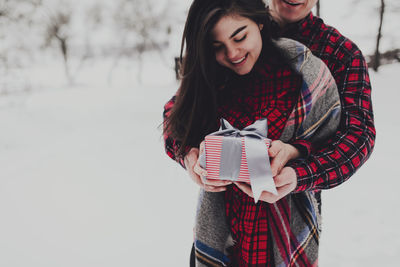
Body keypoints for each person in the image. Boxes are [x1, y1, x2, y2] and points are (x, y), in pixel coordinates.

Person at [163, 0, 375, 266]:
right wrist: (189, 155)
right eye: (221, 45)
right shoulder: (230, 24)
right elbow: (180, 112)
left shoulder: (339, 53)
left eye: (240, 37)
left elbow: (358, 137)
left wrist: (299, 169)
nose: (232, 52)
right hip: (223, 223)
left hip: (288, 225)